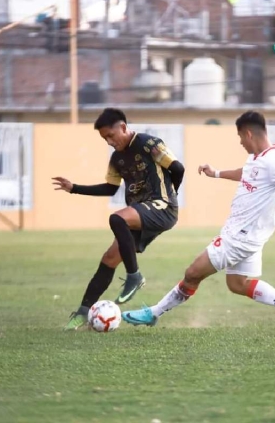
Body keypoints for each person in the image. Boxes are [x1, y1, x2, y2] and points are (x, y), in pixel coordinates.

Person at [122, 111, 275, 335]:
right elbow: (246, 172)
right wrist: (216, 173)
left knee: (192, 273)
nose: (240, 142)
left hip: (239, 236)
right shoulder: (258, 158)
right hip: (248, 236)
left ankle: (153, 313)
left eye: (240, 137)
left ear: (249, 133)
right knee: (237, 283)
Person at [53, 108, 185, 330]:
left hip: (162, 207)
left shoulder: (149, 144)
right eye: (104, 138)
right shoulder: (117, 159)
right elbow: (109, 188)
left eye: (111, 136)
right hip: (140, 214)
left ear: (123, 127)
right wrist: (74, 188)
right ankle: (83, 313)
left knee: (117, 219)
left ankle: (134, 277)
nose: (109, 141)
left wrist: (171, 197)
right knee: (109, 259)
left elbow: (178, 168)